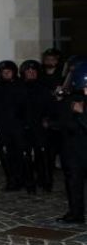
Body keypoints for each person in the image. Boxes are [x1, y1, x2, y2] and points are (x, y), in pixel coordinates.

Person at [0, 60, 31, 192]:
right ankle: (11, 180)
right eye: (4, 72)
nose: (6, 74)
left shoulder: (22, 86)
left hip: (19, 126)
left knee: (22, 153)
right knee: (5, 154)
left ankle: (26, 179)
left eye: (9, 71)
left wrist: (27, 123)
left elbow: (27, 107)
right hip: (3, 126)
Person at [57, 62, 87, 224]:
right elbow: (63, 119)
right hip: (73, 147)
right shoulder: (72, 96)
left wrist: (82, 113)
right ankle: (76, 213)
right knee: (73, 181)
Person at [22, 59, 55, 192]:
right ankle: (29, 183)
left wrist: (48, 120)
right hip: (24, 126)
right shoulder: (19, 88)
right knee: (25, 155)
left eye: (33, 71)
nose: (31, 73)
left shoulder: (44, 88)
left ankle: (46, 181)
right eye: (28, 71)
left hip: (40, 126)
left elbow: (51, 107)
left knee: (43, 154)